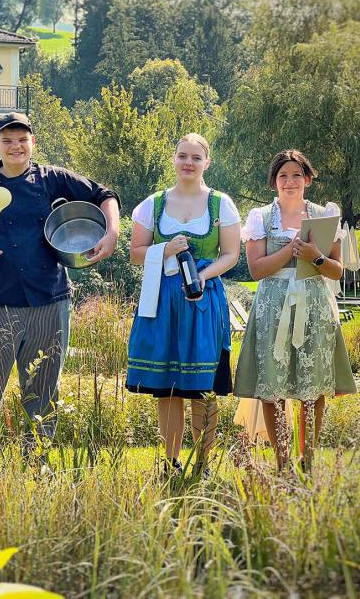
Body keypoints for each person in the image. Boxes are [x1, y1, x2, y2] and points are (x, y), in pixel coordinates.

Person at [0, 112, 120, 445]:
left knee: (42, 393)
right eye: (8, 140)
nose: (16, 147)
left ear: (32, 142)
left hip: (48, 303)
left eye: (22, 140)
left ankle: (36, 461)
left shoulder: (52, 178)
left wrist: (112, 232)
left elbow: (104, 195)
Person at [234, 149, 357, 471]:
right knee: (272, 388)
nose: (290, 182)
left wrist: (315, 255)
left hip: (314, 304)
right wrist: (291, 248)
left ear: (307, 179)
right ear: (274, 181)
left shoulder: (324, 215)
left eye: (296, 175)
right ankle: (282, 460)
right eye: (283, 176)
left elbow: (336, 271)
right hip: (272, 304)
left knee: (312, 387)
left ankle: (308, 459)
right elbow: (257, 270)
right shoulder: (260, 217)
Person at [126, 133, 241, 473]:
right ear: (174, 159)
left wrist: (205, 276)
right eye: (182, 156)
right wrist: (167, 249)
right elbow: (135, 254)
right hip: (162, 302)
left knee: (202, 386)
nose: (188, 163)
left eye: (196, 157)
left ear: (207, 162)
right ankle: (171, 461)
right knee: (168, 387)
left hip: (202, 301)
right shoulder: (153, 204)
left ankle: (202, 462)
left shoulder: (221, 204)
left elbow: (232, 254)